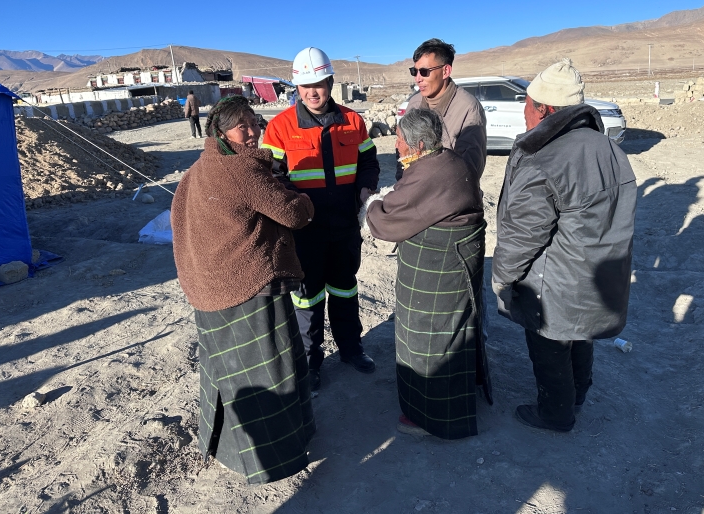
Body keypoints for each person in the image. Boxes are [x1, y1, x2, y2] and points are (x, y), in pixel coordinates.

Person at [171, 96, 316, 484]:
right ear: (220, 133)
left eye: (255, 123)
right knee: (271, 371)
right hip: (248, 287)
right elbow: (292, 214)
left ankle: (226, 450)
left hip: (209, 290)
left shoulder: (195, 171)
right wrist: (305, 200)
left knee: (228, 375)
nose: (252, 133)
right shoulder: (241, 168)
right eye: (242, 126)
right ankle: (275, 457)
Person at [491, 58, 637, 432]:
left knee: (550, 346)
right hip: (598, 276)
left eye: (527, 104)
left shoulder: (545, 157)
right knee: (580, 335)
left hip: (555, 281)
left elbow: (524, 233)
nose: (524, 112)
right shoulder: (608, 148)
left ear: (543, 108)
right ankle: (578, 395)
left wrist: (502, 276)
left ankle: (555, 414)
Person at [367, 108, 492, 439]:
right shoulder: (448, 161)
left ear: (418, 145)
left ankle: (433, 417)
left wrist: (372, 205)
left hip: (438, 269)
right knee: (452, 332)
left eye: (399, 139)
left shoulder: (428, 174)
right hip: (456, 265)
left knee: (430, 336)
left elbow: (387, 219)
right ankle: (453, 399)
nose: (396, 145)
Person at [262, 47, 380, 391]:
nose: (313, 92)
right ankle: (311, 362)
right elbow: (272, 176)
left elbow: (368, 161)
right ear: (297, 88)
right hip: (305, 232)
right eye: (305, 86)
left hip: (345, 226)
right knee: (307, 297)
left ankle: (351, 349)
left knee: (345, 288)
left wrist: (365, 188)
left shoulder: (353, 121)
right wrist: (295, 204)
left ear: (330, 82)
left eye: (319, 84)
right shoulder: (280, 127)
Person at [397, 38, 486, 180]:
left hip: (448, 191)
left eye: (424, 71)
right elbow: (403, 148)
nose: (417, 79)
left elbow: (470, 168)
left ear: (445, 71)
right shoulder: (414, 103)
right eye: (414, 71)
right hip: (413, 188)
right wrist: (402, 183)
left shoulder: (468, 107)